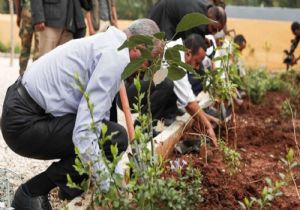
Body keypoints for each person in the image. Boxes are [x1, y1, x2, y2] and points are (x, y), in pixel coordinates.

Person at [1, 19, 161, 210]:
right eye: (147, 62)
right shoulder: (116, 57)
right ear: (138, 47)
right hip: (23, 122)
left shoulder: (111, 44)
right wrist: (110, 189)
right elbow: (84, 134)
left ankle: (69, 188)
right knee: (114, 138)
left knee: (110, 135)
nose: (144, 67)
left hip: (23, 109)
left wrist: (119, 181)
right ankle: (30, 192)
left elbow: (99, 120)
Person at [120, 34, 218, 146]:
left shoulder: (180, 54)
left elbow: (188, 96)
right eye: (197, 62)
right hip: (128, 94)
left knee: (171, 85)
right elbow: (189, 103)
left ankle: (164, 117)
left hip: (141, 90)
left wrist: (205, 117)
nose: (196, 67)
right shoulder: (174, 55)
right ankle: (142, 126)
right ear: (188, 54)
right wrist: (208, 126)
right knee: (167, 82)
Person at [149, 0, 227, 40]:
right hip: (164, 13)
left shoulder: (208, 8)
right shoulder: (197, 19)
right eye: (213, 29)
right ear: (210, 15)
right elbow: (190, 42)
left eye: (217, 31)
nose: (213, 33)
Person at [14, 0, 39, 75]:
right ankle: (35, 74)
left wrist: (18, 14)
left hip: (27, 12)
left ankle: (22, 74)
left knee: (25, 47)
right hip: (40, 14)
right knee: (39, 48)